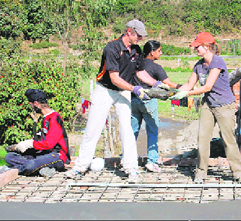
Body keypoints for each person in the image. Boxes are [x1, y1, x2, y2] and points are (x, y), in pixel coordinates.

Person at [65, 19, 169, 181]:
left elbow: (140, 73)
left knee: (127, 129)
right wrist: (135, 89)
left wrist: (156, 84)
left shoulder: (136, 50)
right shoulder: (112, 48)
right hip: (105, 90)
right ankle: (79, 167)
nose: (140, 39)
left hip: (123, 91)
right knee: (93, 127)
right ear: (129, 31)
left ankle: (131, 168)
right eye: (138, 35)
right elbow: (114, 78)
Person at [169, 32, 241, 184]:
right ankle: (201, 173)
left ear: (206, 46)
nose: (195, 49)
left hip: (224, 105)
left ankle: (239, 173)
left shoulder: (217, 62)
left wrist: (187, 93)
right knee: (203, 139)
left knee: (228, 140)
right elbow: (189, 85)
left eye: (197, 47)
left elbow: (207, 86)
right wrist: (176, 93)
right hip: (208, 105)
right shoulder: (199, 65)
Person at [131, 40, 180, 172]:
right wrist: (182, 88)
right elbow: (168, 83)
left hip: (133, 100)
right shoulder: (156, 68)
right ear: (152, 52)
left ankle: (128, 159)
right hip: (149, 101)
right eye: (159, 50)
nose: (161, 53)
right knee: (152, 131)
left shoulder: (135, 63)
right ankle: (152, 161)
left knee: (131, 132)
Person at [5, 89, 70, 177]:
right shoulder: (45, 118)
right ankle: (40, 168)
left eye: (31, 105)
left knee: (30, 165)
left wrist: (31, 144)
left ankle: (23, 168)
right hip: (44, 154)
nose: (31, 107)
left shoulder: (54, 118)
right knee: (9, 157)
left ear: (36, 104)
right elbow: (43, 140)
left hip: (57, 156)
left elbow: (49, 144)